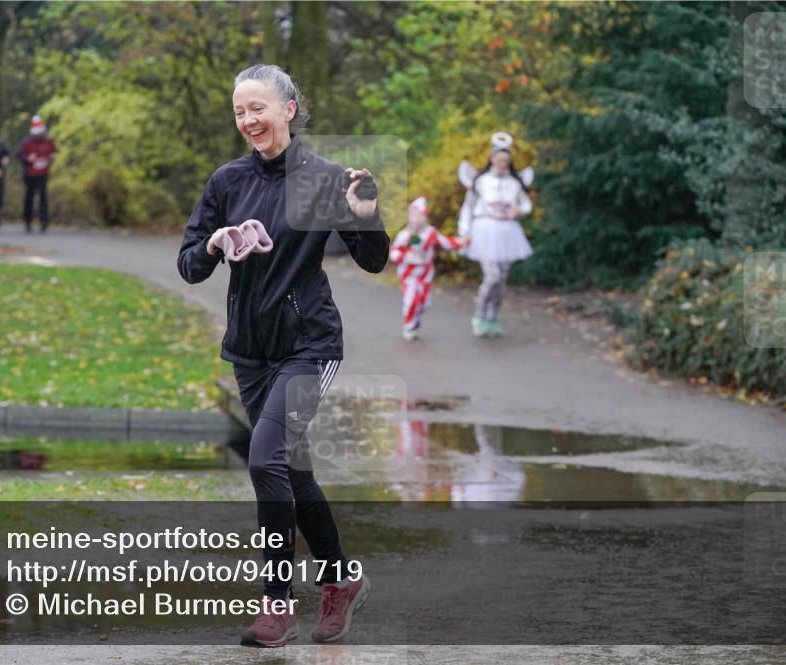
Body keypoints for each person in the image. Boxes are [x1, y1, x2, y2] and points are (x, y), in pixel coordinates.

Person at [177, 64, 388, 647]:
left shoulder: (326, 179)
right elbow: (189, 262)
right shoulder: (226, 181)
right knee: (292, 470)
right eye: (240, 111)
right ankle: (341, 580)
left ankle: (276, 604)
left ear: (289, 109)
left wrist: (365, 213)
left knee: (265, 459)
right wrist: (216, 243)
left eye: (258, 108)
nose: (248, 120)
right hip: (250, 350)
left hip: (309, 345)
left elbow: (373, 260)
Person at [457, 131, 534, 337]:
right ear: (492, 160)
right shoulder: (480, 181)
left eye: (506, 161)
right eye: (499, 160)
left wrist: (520, 210)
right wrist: (464, 232)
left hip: (507, 233)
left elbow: (526, 204)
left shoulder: (515, 183)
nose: (502, 164)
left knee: (502, 279)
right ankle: (480, 314)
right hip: (485, 232)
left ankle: (493, 317)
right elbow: (468, 207)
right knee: (492, 276)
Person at [389, 196, 468, 340]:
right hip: (409, 276)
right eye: (414, 215)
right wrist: (407, 257)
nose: (417, 219)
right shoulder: (405, 235)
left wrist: (462, 242)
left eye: (420, 215)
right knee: (411, 300)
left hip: (425, 276)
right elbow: (394, 253)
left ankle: (414, 317)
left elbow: (446, 243)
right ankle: (409, 327)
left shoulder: (430, 233)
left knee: (424, 304)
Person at [16, 115, 56, 233]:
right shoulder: (26, 142)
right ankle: (28, 220)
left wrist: (52, 157)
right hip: (30, 174)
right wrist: (28, 158)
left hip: (43, 173)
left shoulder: (48, 142)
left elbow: (53, 152)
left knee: (43, 196)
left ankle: (44, 221)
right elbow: (19, 154)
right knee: (29, 196)